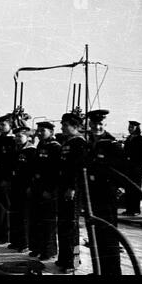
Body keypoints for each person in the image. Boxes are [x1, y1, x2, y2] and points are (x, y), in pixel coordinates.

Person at [86, 109, 125, 275]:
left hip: (107, 195)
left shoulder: (111, 144)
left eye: (100, 123)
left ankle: (113, 272)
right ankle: (99, 270)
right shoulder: (90, 143)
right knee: (96, 235)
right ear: (89, 124)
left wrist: (120, 187)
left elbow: (124, 168)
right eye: (94, 123)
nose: (97, 126)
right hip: (93, 195)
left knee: (109, 235)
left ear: (105, 124)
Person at [56, 112, 86, 273]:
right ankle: (63, 257)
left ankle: (73, 261)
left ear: (75, 126)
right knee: (62, 225)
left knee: (71, 227)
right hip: (63, 189)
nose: (62, 127)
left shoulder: (79, 143)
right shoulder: (67, 142)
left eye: (65, 125)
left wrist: (73, 188)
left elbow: (78, 169)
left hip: (72, 191)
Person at [29, 121, 60, 260]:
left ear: (51, 132)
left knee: (48, 221)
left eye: (43, 131)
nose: (40, 133)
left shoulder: (55, 147)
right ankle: (37, 248)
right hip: (37, 187)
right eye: (38, 130)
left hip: (47, 189)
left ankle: (49, 250)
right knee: (36, 219)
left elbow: (55, 172)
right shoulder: (41, 145)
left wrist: (50, 190)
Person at [8, 126, 36, 252]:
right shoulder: (16, 150)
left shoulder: (31, 151)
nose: (17, 139)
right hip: (15, 186)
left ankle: (24, 243)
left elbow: (32, 171)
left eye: (20, 136)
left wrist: (30, 187)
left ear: (28, 137)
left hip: (25, 187)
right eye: (16, 136)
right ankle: (15, 241)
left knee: (24, 216)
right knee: (15, 214)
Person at [0, 113, 15, 245]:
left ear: (10, 126)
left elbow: (11, 163)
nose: (0, 126)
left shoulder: (12, 141)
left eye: (3, 124)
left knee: (4, 208)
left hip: (5, 179)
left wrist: (7, 179)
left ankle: (4, 235)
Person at [122, 120, 142, 216]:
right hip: (128, 168)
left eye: (132, 127)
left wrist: (138, 165)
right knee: (128, 188)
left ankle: (135, 209)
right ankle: (129, 209)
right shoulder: (129, 139)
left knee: (135, 189)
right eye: (129, 127)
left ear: (137, 128)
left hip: (136, 168)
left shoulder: (141, 140)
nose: (130, 129)